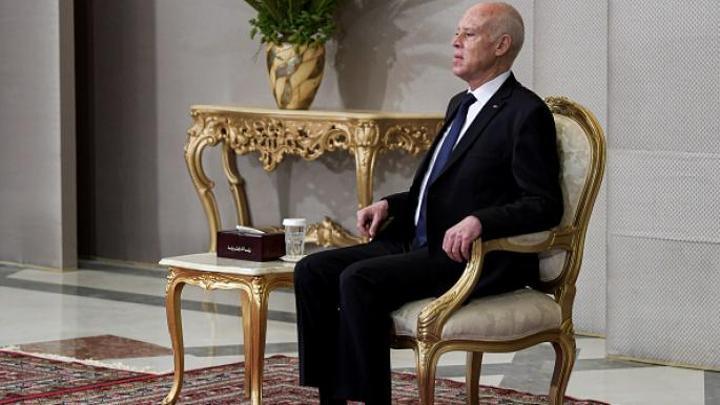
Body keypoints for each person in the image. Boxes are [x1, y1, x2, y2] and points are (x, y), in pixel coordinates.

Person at [293, 2, 563, 404]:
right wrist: (391, 205)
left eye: (468, 34)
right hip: (415, 241)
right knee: (312, 270)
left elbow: (544, 203)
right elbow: (442, 189)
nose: (456, 41)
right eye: (457, 32)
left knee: (358, 280)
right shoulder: (460, 104)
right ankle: (330, 397)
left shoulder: (526, 112)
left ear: (501, 45)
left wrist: (481, 221)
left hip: (466, 256)